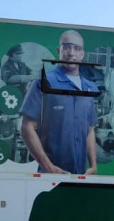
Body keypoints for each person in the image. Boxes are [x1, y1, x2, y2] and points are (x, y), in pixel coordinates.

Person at [20, 30, 98, 175]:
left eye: (77, 48)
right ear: (59, 51)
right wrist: (49, 167)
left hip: (79, 176)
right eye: (67, 47)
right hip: (49, 177)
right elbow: (26, 127)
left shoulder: (89, 88)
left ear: (82, 54)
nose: (71, 53)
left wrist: (93, 165)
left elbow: (89, 129)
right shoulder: (44, 83)